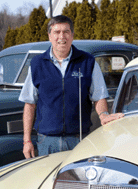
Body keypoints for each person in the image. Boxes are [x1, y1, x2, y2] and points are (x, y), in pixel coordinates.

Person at [19, 15, 123, 158]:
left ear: (72, 35)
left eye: (66, 32)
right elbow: (30, 103)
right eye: (56, 32)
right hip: (47, 141)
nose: (61, 36)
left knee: (78, 179)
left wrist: (103, 115)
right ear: (49, 36)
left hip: (79, 139)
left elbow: (98, 96)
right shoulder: (37, 64)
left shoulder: (87, 62)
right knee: (50, 179)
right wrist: (27, 141)